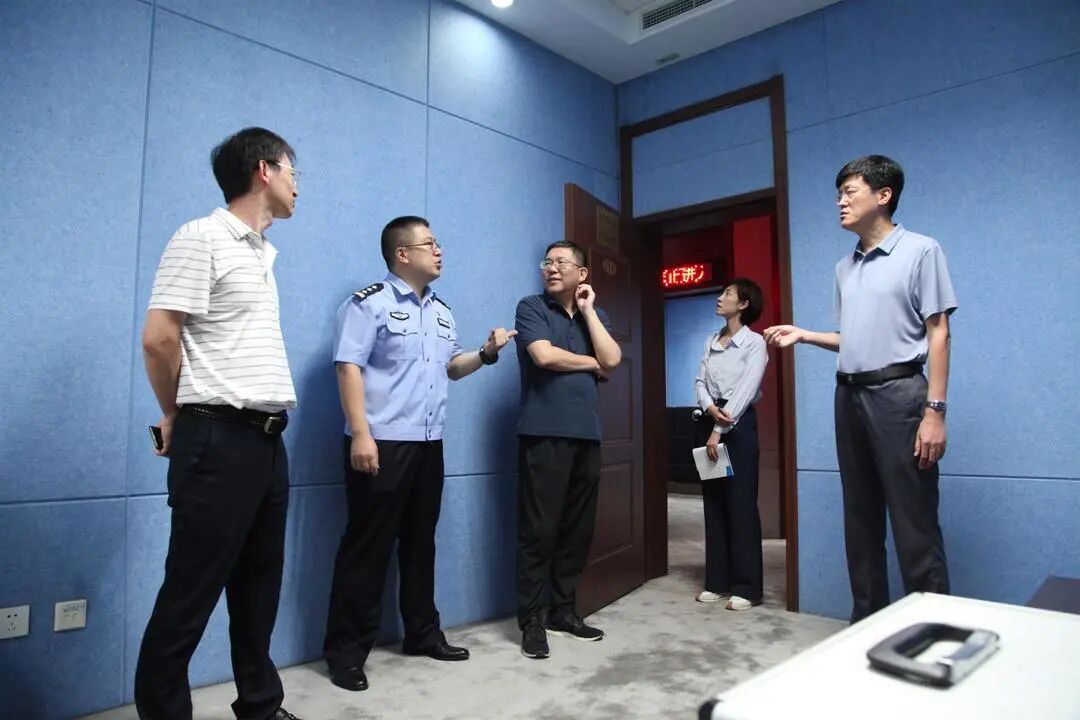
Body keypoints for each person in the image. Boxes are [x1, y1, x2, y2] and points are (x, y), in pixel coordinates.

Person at [136, 127, 303, 720]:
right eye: (293, 171)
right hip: (216, 437)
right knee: (189, 594)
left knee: (258, 590)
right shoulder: (201, 237)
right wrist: (175, 413)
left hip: (268, 442)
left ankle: (260, 705)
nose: (297, 185)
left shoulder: (261, 252)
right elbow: (159, 338)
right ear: (265, 170)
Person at [323, 216, 515, 691]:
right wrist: (361, 434)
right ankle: (346, 653)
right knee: (367, 549)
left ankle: (422, 634)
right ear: (402, 254)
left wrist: (486, 352)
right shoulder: (368, 304)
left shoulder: (442, 311)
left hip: (429, 443)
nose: (439, 250)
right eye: (430, 243)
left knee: (419, 543)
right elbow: (348, 368)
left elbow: (451, 368)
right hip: (381, 442)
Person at [764, 155, 956, 623]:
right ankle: (866, 626)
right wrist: (805, 335)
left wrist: (935, 410)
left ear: (883, 195)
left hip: (900, 396)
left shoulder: (921, 250)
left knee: (914, 523)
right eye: (840, 193)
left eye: (850, 191)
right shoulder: (844, 268)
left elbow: (939, 333)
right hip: (848, 396)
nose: (840, 201)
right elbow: (853, 338)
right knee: (860, 521)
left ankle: (934, 634)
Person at [513, 240, 622, 660]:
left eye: (561, 262)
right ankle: (532, 620)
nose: (552, 268)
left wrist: (590, 312)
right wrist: (591, 363)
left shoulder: (598, 316)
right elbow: (543, 356)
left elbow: (612, 358)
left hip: (586, 434)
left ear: (583, 273)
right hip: (543, 433)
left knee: (577, 530)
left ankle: (563, 611)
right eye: (548, 262)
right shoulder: (531, 307)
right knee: (539, 531)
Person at [692, 279, 768, 611]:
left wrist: (718, 430)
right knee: (714, 503)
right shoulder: (711, 340)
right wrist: (709, 408)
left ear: (744, 304)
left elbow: (746, 390)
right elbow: (700, 381)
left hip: (738, 425)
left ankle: (747, 588)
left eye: (727, 294)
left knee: (741, 504)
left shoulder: (755, 343)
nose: (720, 298)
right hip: (711, 417)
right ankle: (717, 582)